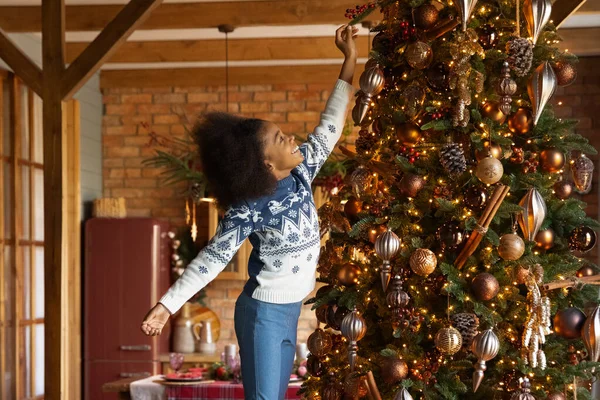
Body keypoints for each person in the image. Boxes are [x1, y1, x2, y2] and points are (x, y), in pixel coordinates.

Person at [141, 24, 358, 400]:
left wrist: (349, 61)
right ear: (264, 163)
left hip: (292, 310)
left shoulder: (303, 170)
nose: (291, 137)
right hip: (263, 317)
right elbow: (211, 259)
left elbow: (331, 126)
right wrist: (167, 304)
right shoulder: (248, 208)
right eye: (279, 139)